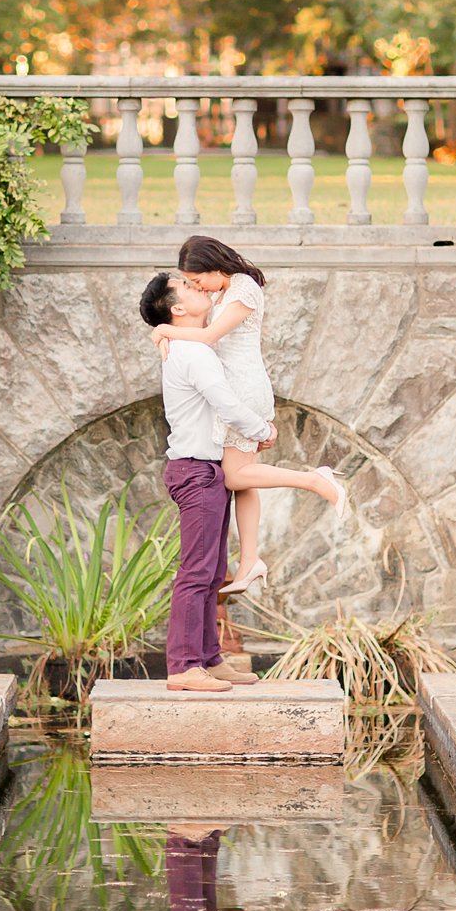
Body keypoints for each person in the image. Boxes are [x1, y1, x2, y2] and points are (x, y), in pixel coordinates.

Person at [148, 236, 346, 598]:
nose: (196, 286)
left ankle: (316, 480)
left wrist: (162, 329)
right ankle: (250, 559)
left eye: (197, 279)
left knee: (235, 475)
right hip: (235, 388)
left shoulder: (244, 289)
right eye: (190, 283)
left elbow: (206, 336)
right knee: (243, 481)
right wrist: (166, 328)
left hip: (245, 392)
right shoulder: (222, 293)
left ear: (214, 265)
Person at [139, 271, 274, 693]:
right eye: (187, 287)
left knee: (213, 570)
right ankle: (183, 666)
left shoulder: (192, 345)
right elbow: (225, 403)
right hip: (195, 470)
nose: (198, 287)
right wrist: (262, 430)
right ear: (177, 308)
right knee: (196, 571)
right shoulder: (191, 354)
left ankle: (209, 659)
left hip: (207, 469)